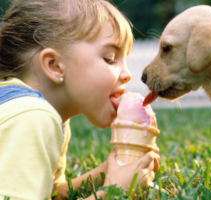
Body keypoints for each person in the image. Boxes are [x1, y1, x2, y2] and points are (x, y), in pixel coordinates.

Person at [0, 0, 160, 199]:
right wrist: (115, 190)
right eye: (110, 58)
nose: (127, 74)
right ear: (54, 65)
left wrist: (105, 174)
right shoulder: (32, 116)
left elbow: (49, 192)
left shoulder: (35, 112)